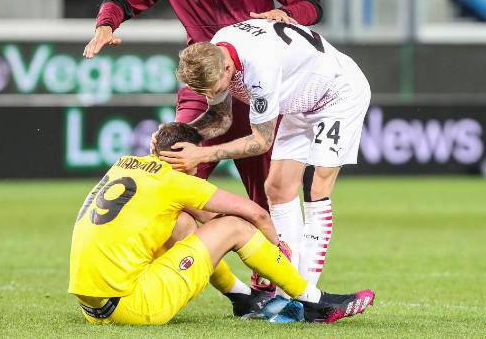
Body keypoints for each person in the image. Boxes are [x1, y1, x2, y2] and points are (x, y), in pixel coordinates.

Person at [82, 0, 323, 217]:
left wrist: (287, 15)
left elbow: (310, 4)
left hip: (255, 87)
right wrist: (105, 26)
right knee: (173, 173)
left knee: (268, 197)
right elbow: (120, 0)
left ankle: (267, 265)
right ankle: (193, 263)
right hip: (204, 88)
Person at [68, 122, 374, 325]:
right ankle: (313, 301)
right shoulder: (175, 182)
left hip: (93, 309)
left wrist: (222, 238)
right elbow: (257, 215)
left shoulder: (124, 164)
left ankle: (241, 297)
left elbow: (202, 221)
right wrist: (275, 248)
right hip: (134, 306)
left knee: (183, 223)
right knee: (236, 227)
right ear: (190, 158)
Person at [165, 19, 371, 290]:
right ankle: (287, 289)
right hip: (299, 101)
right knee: (277, 188)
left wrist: (201, 156)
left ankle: (305, 296)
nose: (214, 95)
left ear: (227, 68)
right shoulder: (215, 52)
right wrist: (180, 133)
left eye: (215, 89)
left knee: (316, 187)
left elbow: (262, 141)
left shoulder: (259, 67)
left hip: (338, 94)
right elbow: (221, 118)